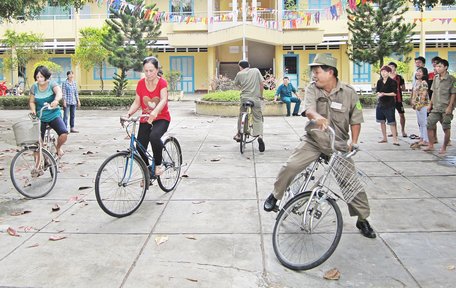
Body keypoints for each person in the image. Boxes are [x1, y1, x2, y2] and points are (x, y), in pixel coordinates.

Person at [263, 54, 376, 239]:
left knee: (351, 184)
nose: (314, 76)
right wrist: (317, 118)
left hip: (338, 145)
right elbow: (308, 109)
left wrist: (353, 142)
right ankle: (275, 195)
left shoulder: (349, 92)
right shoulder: (312, 89)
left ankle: (362, 219)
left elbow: (356, 119)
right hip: (314, 140)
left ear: (330, 72)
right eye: (313, 72)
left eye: (317, 72)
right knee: (290, 166)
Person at [125, 56, 170, 176]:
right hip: (146, 118)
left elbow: (163, 99)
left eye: (151, 71)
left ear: (157, 70)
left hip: (161, 118)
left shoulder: (162, 82)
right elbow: (137, 102)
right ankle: (148, 171)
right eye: (146, 71)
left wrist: (155, 112)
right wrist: (128, 114)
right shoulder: (140, 84)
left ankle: (158, 166)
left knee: (154, 137)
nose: (148, 74)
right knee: (140, 147)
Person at [29, 65, 68, 158]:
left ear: (46, 76)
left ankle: (58, 148)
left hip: (53, 114)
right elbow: (31, 101)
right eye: (37, 77)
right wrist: (33, 110)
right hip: (40, 116)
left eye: (41, 77)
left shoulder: (52, 84)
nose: (39, 79)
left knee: (63, 133)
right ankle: (38, 166)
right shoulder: (34, 87)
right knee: (37, 143)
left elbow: (59, 93)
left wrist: (56, 100)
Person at [423, 58, 456, 154]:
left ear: (445, 67)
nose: (437, 68)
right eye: (437, 66)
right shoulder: (435, 78)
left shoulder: (452, 79)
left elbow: (454, 93)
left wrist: (450, 107)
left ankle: (444, 147)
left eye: (440, 66)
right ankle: (431, 145)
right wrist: (430, 104)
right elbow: (433, 92)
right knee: (429, 124)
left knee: (446, 127)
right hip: (436, 107)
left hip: (446, 107)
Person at [233, 60, 266, 152]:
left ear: (240, 67)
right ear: (249, 65)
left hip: (244, 98)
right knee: (257, 118)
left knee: (241, 115)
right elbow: (261, 84)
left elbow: (236, 85)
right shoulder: (256, 70)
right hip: (255, 98)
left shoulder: (239, 74)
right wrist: (261, 96)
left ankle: (239, 134)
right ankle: (259, 135)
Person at [376, 65, 400, 146]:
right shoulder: (379, 81)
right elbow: (377, 91)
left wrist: (384, 94)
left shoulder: (393, 82)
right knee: (382, 121)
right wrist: (379, 94)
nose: (383, 73)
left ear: (389, 72)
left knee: (391, 122)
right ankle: (384, 137)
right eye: (382, 71)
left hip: (389, 104)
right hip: (380, 103)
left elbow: (394, 93)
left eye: (385, 72)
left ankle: (395, 139)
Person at [410, 67, 430, 148]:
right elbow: (414, 93)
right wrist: (413, 102)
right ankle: (422, 138)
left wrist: (419, 105)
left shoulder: (424, 83)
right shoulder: (416, 82)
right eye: (417, 71)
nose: (418, 73)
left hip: (423, 105)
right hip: (417, 106)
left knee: (424, 123)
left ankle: (426, 140)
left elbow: (424, 95)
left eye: (420, 71)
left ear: (424, 74)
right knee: (420, 122)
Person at [388, 62, 407, 137]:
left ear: (395, 68)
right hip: (389, 100)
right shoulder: (386, 77)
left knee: (401, 115)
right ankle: (394, 131)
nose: (391, 68)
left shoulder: (399, 77)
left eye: (392, 66)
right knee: (392, 116)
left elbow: (404, 88)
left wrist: (398, 90)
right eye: (389, 67)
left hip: (398, 99)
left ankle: (403, 130)